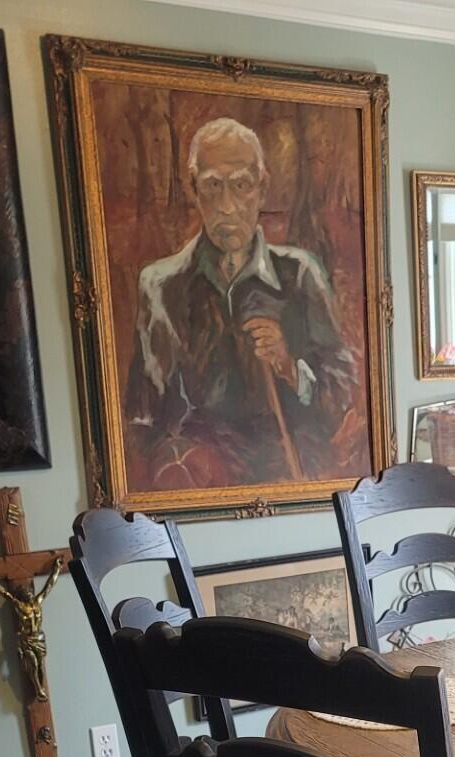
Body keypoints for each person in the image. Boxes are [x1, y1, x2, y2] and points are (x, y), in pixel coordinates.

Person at [123, 117, 359, 491]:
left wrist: (288, 365)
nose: (228, 207)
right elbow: (145, 411)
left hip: (291, 481)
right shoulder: (161, 284)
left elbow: (344, 390)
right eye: (213, 187)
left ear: (262, 189)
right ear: (193, 189)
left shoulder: (299, 275)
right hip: (198, 481)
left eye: (241, 186)